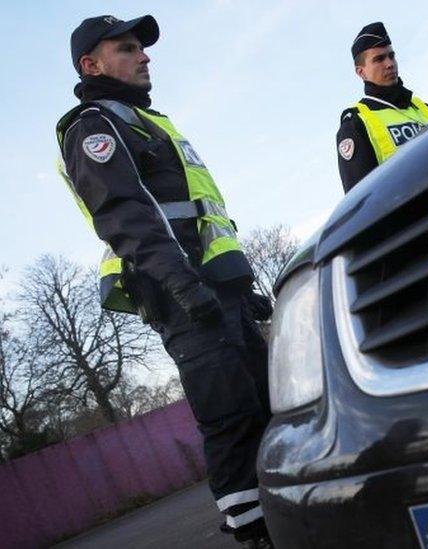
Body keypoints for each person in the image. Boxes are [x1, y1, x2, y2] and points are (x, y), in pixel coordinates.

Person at [55, 15, 274, 548]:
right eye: (127, 49)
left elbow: (201, 216)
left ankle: (294, 512)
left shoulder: (151, 122)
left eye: (142, 49)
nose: (144, 56)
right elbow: (126, 217)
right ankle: (257, 532)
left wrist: (239, 284)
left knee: (267, 404)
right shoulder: (94, 125)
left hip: (218, 289)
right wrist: (183, 286)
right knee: (231, 415)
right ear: (92, 64)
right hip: (183, 296)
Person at [336, 22, 428, 192]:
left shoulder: (425, 108)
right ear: (361, 72)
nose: (390, 63)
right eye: (379, 59)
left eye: (391, 56)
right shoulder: (356, 124)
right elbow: (362, 202)